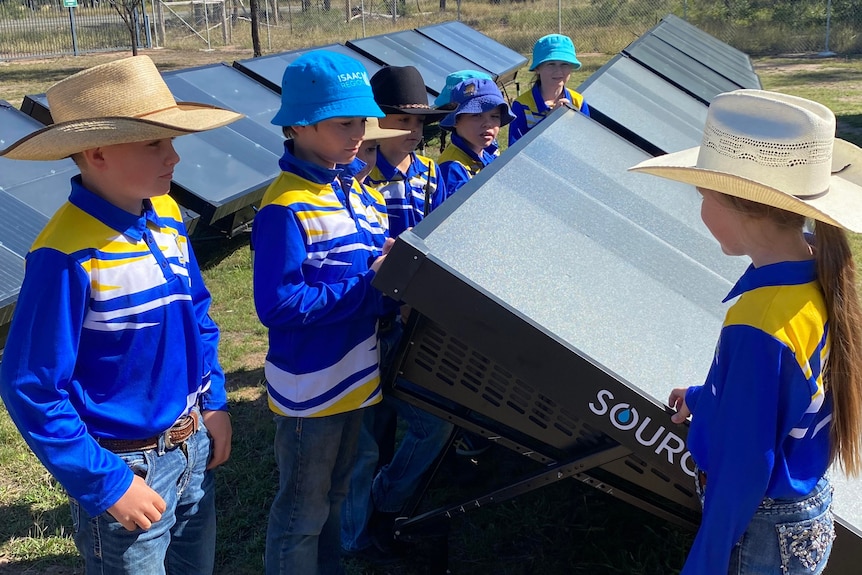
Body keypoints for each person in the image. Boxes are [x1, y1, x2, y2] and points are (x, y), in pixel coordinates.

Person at [0, 55, 239, 574]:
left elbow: (198, 315)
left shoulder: (169, 215)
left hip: (193, 444)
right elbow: (31, 386)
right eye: (154, 142)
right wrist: (107, 482)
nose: (174, 155)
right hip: (125, 467)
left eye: (172, 139)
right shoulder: (65, 256)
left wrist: (214, 402)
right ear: (96, 152)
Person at [629, 89, 862, 575]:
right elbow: (782, 401)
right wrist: (704, 396)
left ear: (742, 205)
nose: (700, 211)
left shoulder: (760, 324)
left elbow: (743, 467)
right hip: (804, 508)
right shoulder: (818, 270)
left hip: (760, 528)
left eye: (703, 195)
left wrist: (706, 562)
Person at [253, 49, 398, 575]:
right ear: (297, 126)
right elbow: (279, 304)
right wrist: (373, 287)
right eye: (343, 122)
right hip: (310, 389)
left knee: (336, 496)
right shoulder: (283, 206)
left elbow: (369, 267)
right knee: (302, 510)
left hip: (356, 374)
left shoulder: (359, 191)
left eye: (361, 120)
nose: (357, 132)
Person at [339, 65, 455, 559]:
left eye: (419, 122)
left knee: (423, 424)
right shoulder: (355, 181)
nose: (411, 132)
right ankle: (357, 534)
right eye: (399, 120)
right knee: (369, 439)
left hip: (413, 322)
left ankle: (381, 507)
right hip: (368, 323)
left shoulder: (430, 175)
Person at [437, 78, 516, 196]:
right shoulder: (452, 168)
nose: (487, 124)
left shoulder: (489, 151)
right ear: (455, 120)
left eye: (494, 116)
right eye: (477, 115)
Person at [508, 33, 590, 146]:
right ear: (537, 68)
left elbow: (586, 142)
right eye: (551, 64)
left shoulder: (578, 102)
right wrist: (551, 119)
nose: (558, 71)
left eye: (564, 64)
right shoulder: (522, 106)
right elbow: (515, 149)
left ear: (571, 68)